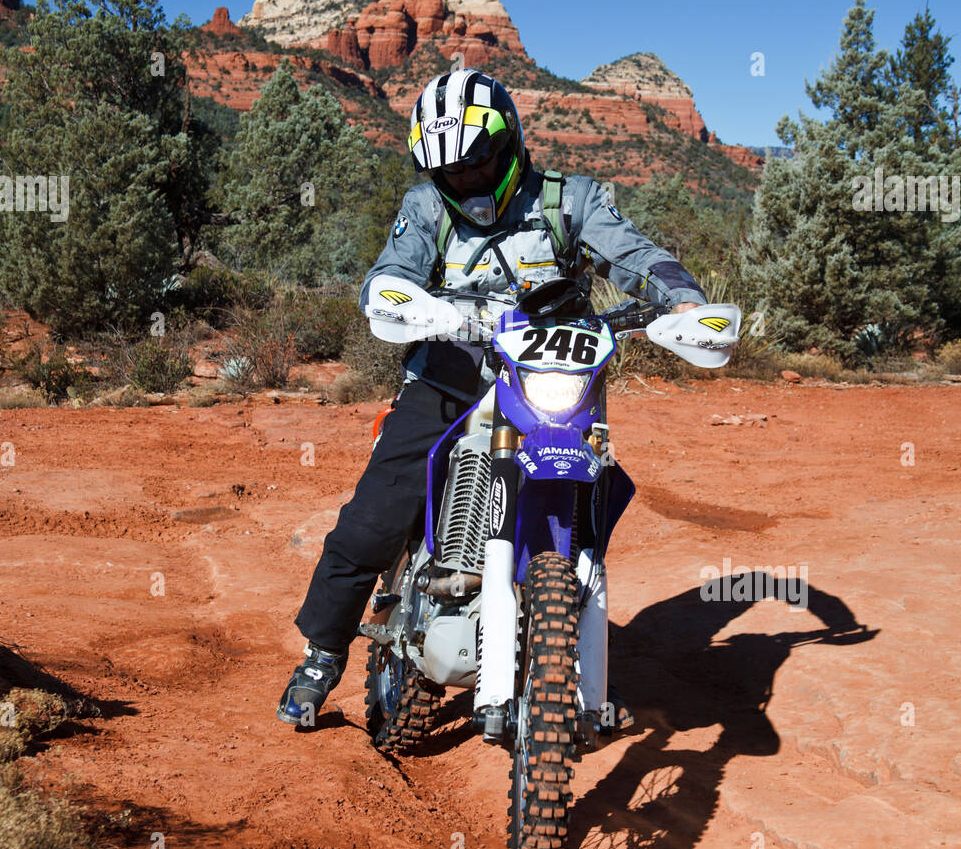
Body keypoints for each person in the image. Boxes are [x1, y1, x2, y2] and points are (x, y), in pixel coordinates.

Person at [277, 68, 707, 725]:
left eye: (477, 169)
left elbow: (636, 255)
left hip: (549, 379)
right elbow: (388, 278)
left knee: (592, 503)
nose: (466, 185)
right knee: (374, 518)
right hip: (448, 379)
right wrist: (411, 305)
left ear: (508, 149)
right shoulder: (424, 208)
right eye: (451, 174)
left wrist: (682, 301)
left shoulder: (570, 200)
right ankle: (322, 652)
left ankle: (571, 658)